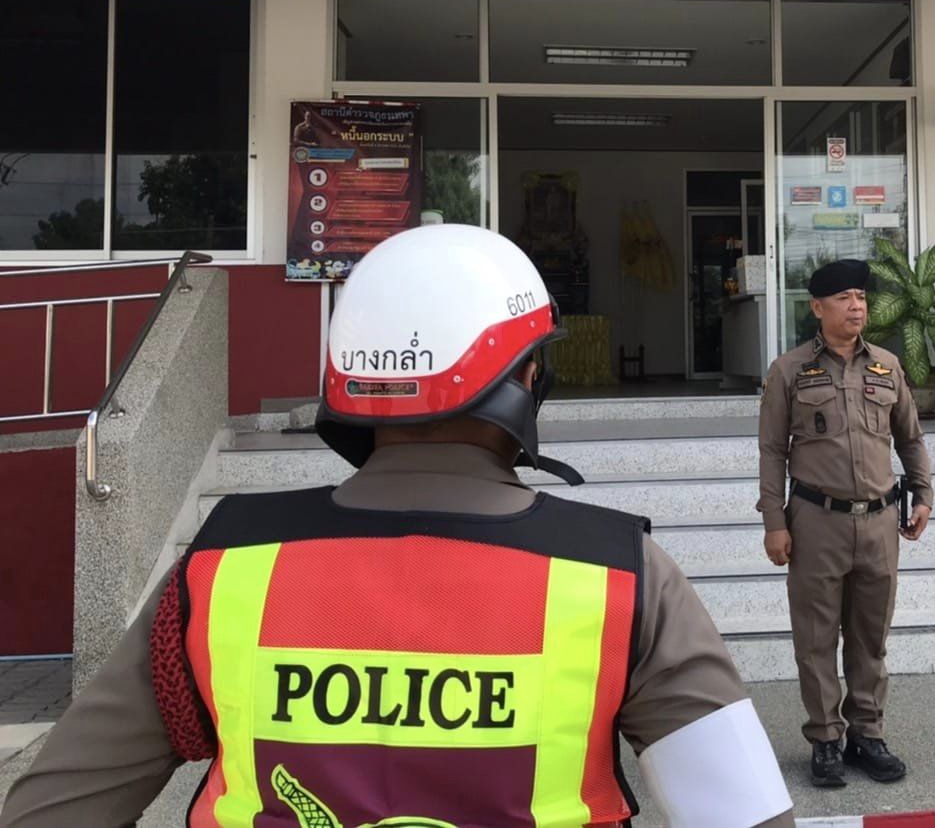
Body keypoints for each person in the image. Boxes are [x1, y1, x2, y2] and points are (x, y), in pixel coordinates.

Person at [1, 226, 794, 828]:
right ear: (528, 379)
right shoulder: (620, 576)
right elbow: (743, 813)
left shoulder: (220, 570)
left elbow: (51, 809)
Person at [757, 258, 934, 789]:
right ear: (817, 307)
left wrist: (923, 492)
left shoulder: (886, 365)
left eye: (861, 297)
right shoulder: (788, 370)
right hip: (816, 522)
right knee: (815, 640)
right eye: (844, 298)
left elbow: (910, 438)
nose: (856, 307)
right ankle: (826, 739)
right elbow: (772, 451)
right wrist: (774, 522)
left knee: (870, 638)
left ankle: (867, 735)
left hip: (879, 523)